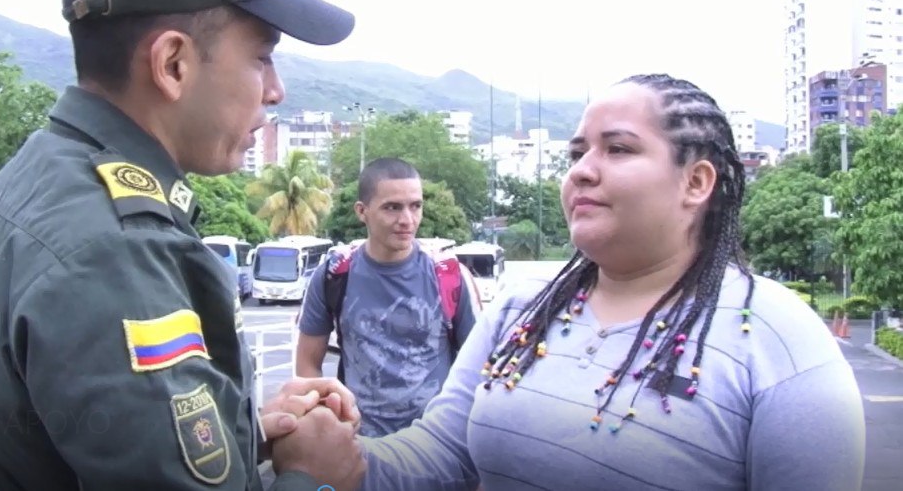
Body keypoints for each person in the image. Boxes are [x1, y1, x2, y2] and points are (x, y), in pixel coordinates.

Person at [0, 0, 363, 491]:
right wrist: (313, 478)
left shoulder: (42, 176)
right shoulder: (112, 246)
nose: (276, 91)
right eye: (263, 59)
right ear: (172, 64)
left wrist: (240, 434)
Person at [311, 74, 866, 490]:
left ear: (696, 181)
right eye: (577, 153)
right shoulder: (521, 311)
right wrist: (351, 461)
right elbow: (441, 451)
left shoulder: (780, 339)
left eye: (618, 149)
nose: (581, 169)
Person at [295, 158, 478, 437]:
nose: (407, 220)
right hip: (360, 444)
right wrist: (327, 424)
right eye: (392, 207)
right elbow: (308, 363)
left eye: (415, 206)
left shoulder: (449, 275)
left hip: (436, 443)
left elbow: (478, 367)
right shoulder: (334, 274)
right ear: (362, 211)